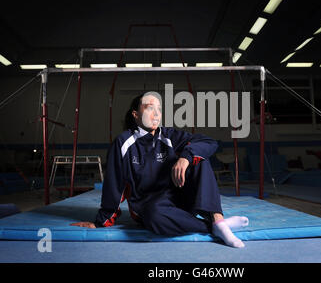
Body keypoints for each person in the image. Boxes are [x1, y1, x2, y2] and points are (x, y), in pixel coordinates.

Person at [71, 92, 249, 248]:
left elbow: (209, 143)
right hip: (152, 208)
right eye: (149, 108)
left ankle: (217, 218)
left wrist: (185, 157)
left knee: (198, 158)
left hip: (180, 201)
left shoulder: (170, 136)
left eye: (159, 109)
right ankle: (215, 227)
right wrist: (101, 221)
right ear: (136, 115)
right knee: (153, 214)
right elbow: (114, 185)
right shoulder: (124, 143)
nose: (156, 113)